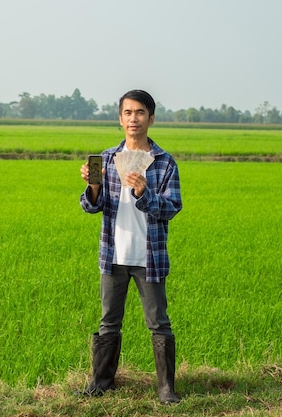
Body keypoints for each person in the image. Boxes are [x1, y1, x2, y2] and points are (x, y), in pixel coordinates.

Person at [78, 89, 183, 404]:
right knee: (109, 320)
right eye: (127, 112)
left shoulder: (164, 163)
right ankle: (101, 383)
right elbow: (91, 207)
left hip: (149, 256)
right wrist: (93, 186)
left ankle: (166, 389)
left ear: (151, 118)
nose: (133, 118)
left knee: (158, 322)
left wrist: (143, 192)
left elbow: (172, 207)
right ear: (120, 118)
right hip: (113, 254)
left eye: (140, 112)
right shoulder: (108, 158)